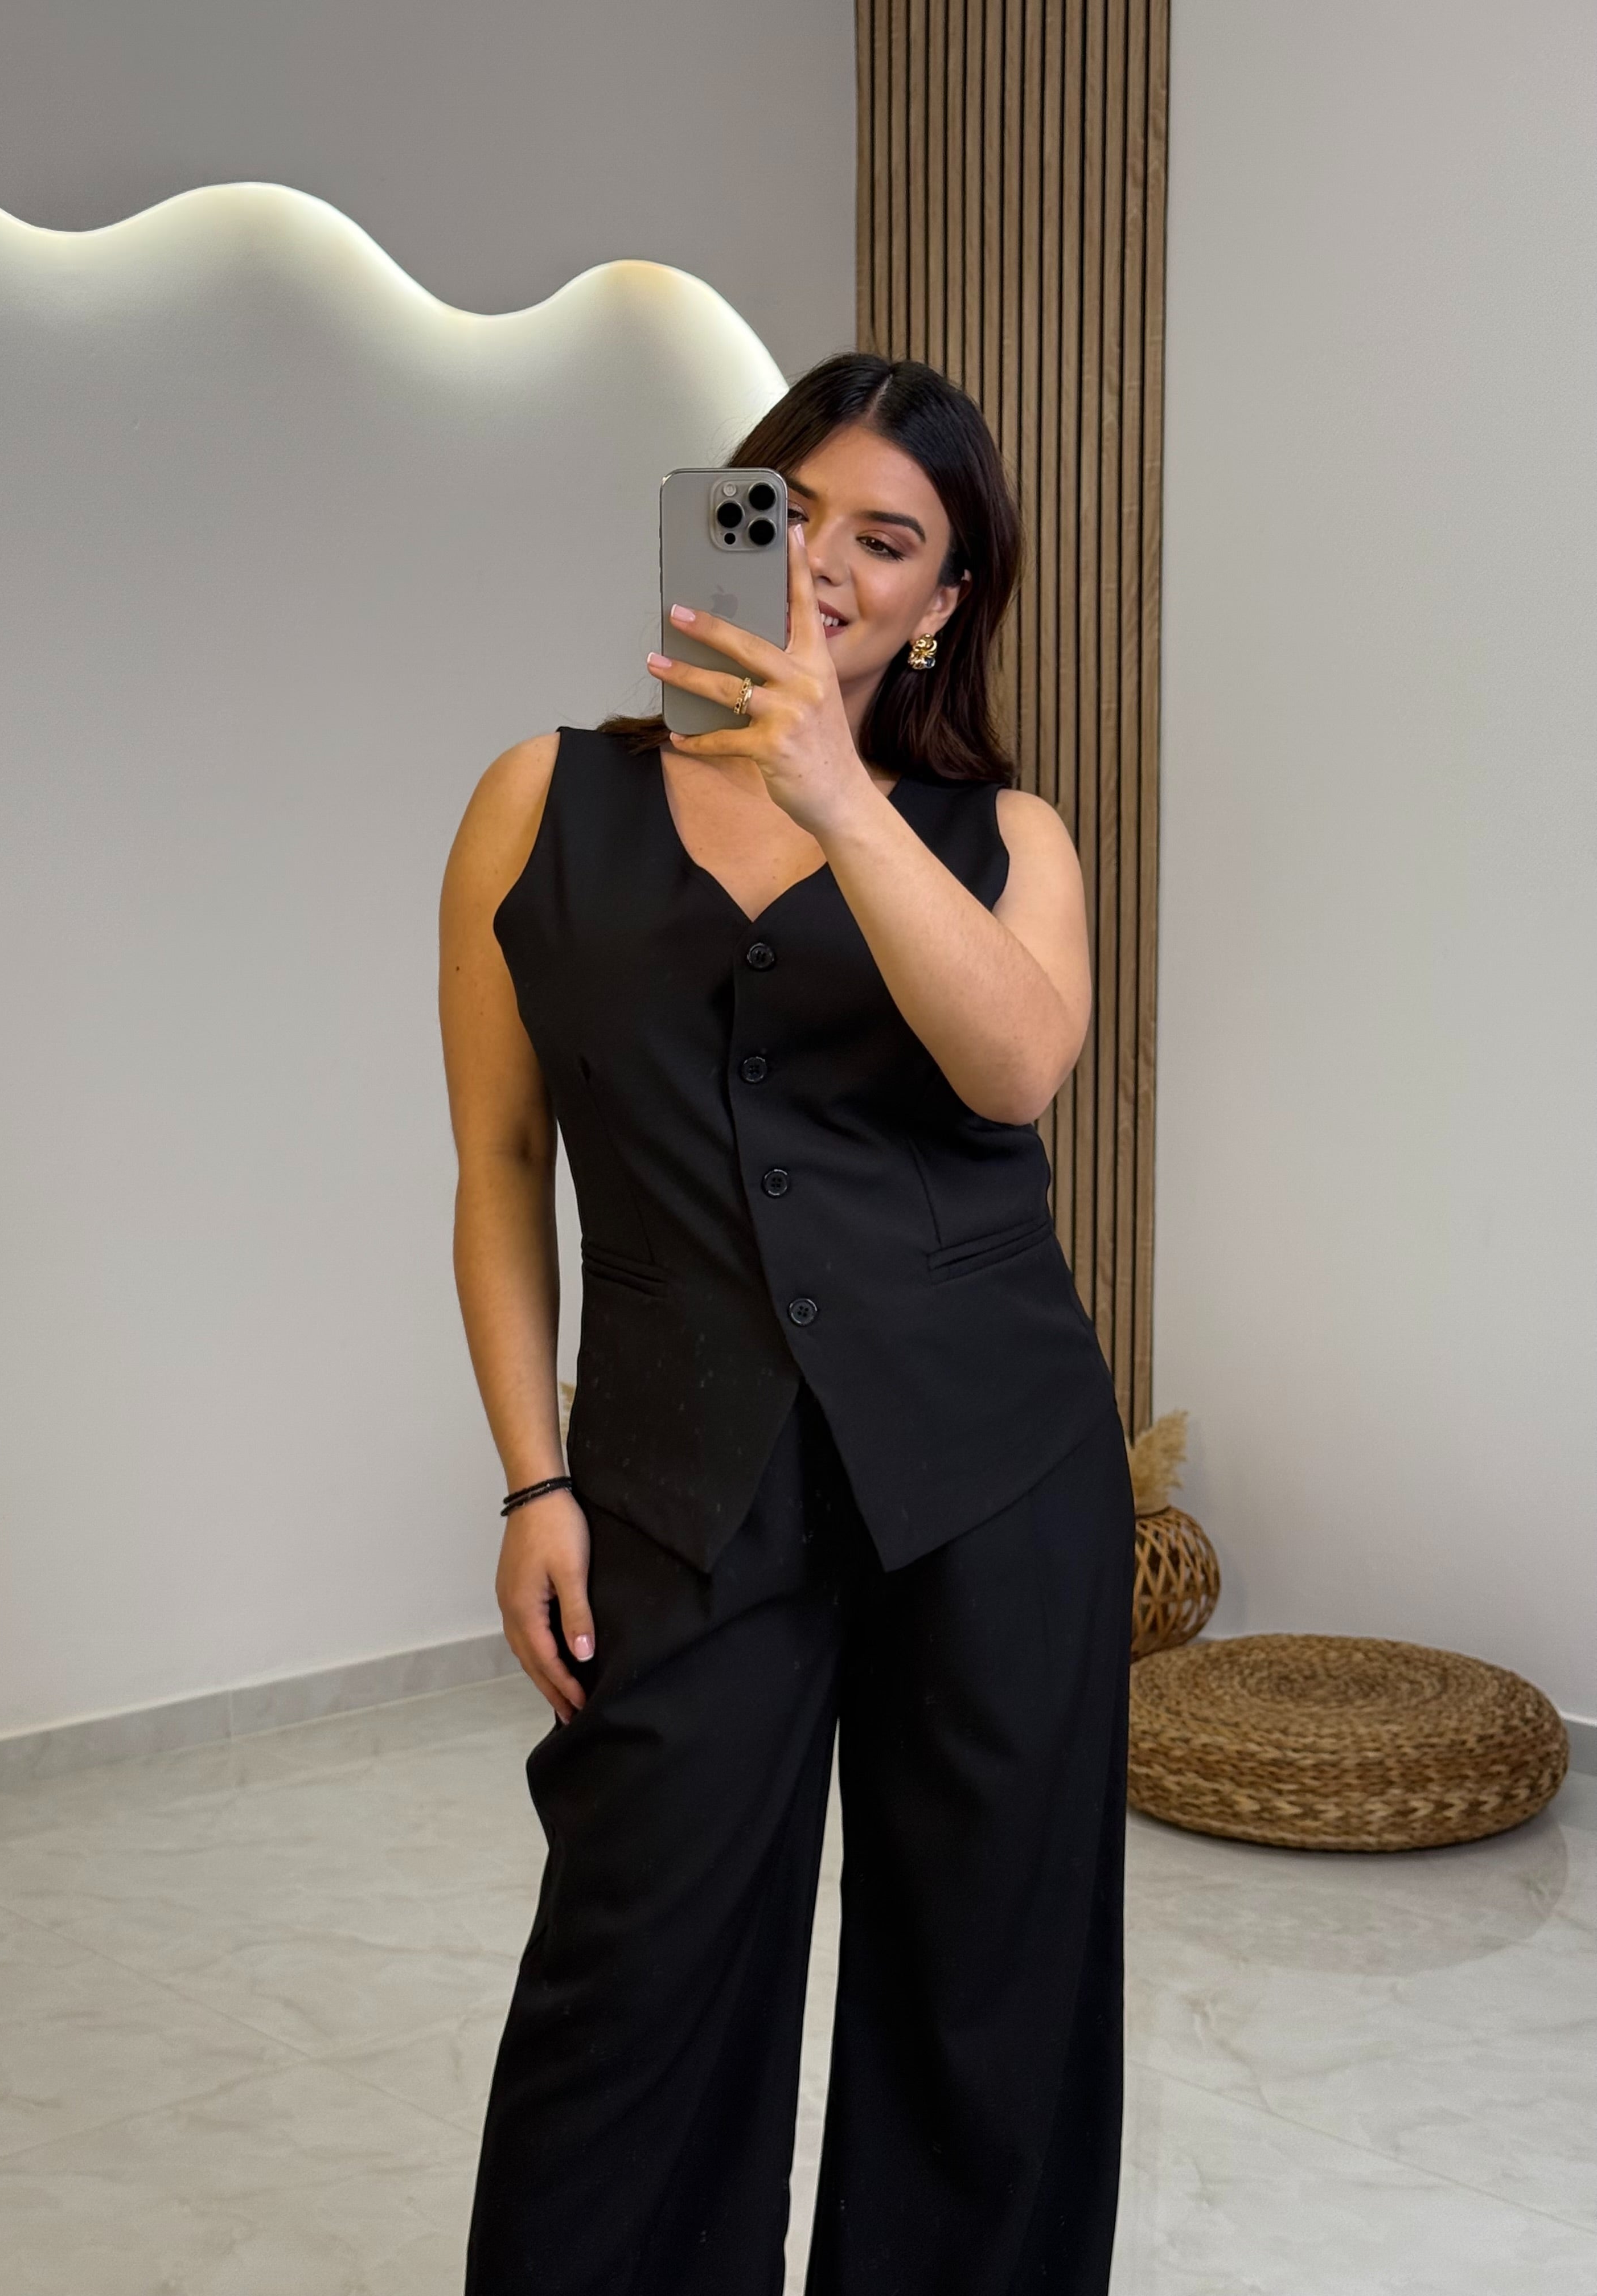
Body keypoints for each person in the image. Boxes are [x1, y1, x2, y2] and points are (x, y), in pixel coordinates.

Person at [438, 353, 1132, 2296]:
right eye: (792, 509)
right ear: (724, 515)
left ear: (946, 603)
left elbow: (1016, 1071)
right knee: (628, 1995)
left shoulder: (1010, 839)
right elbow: (500, 1164)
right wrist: (534, 1482)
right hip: (676, 1481)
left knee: (987, 2007)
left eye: (887, 541)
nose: (827, 563)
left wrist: (837, 791)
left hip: (994, 1472)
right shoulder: (540, 802)